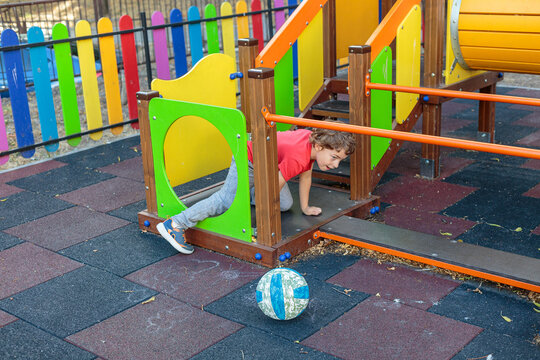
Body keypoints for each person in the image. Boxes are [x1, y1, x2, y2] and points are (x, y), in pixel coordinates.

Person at [156, 124, 356, 254]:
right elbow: (270, 192)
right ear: (320, 147)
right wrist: (262, 226)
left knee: (285, 204)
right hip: (249, 156)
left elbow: (306, 176)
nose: (336, 165)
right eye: (334, 158)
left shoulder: (313, 144)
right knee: (226, 200)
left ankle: (251, 191)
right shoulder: (298, 157)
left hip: (267, 163)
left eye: (340, 160)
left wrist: (305, 208)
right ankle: (175, 224)